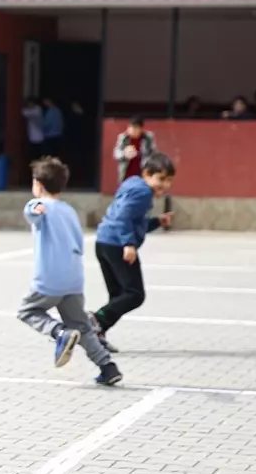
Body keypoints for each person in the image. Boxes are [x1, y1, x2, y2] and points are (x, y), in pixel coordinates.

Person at [17, 158, 122, 386]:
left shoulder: (38, 206)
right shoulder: (70, 211)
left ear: (39, 184)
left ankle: (58, 332)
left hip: (49, 278)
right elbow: (79, 243)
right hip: (74, 279)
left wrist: (36, 207)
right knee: (82, 326)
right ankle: (107, 367)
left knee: (27, 311)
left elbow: (32, 212)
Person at [91, 152, 176, 352]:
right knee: (135, 294)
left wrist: (156, 221)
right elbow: (123, 216)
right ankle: (93, 320)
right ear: (147, 173)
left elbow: (133, 220)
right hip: (117, 245)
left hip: (104, 242)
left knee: (118, 295)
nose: (164, 185)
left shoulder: (132, 184)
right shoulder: (143, 192)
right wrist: (128, 244)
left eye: (169, 181)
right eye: (161, 179)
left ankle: (97, 333)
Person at [22, 97, 45, 164]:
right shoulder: (36, 110)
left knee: (36, 157)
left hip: (37, 138)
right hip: (34, 137)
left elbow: (24, 112)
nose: (28, 105)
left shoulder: (36, 110)